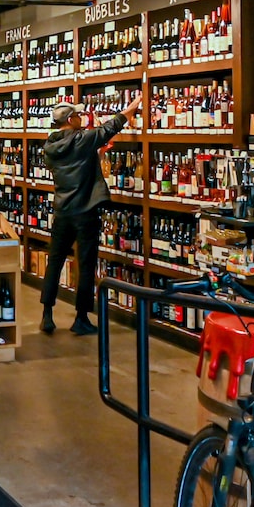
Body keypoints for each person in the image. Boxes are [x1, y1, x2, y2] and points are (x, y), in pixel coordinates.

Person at [39, 94, 144, 336]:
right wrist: (132, 107)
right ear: (70, 119)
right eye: (78, 115)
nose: (81, 118)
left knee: (54, 261)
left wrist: (97, 155)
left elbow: (71, 166)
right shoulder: (82, 139)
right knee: (86, 264)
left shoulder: (50, 146)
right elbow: (110, 127)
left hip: (62, 210)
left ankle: (47, 315)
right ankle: (81, 318)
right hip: (85, 211)